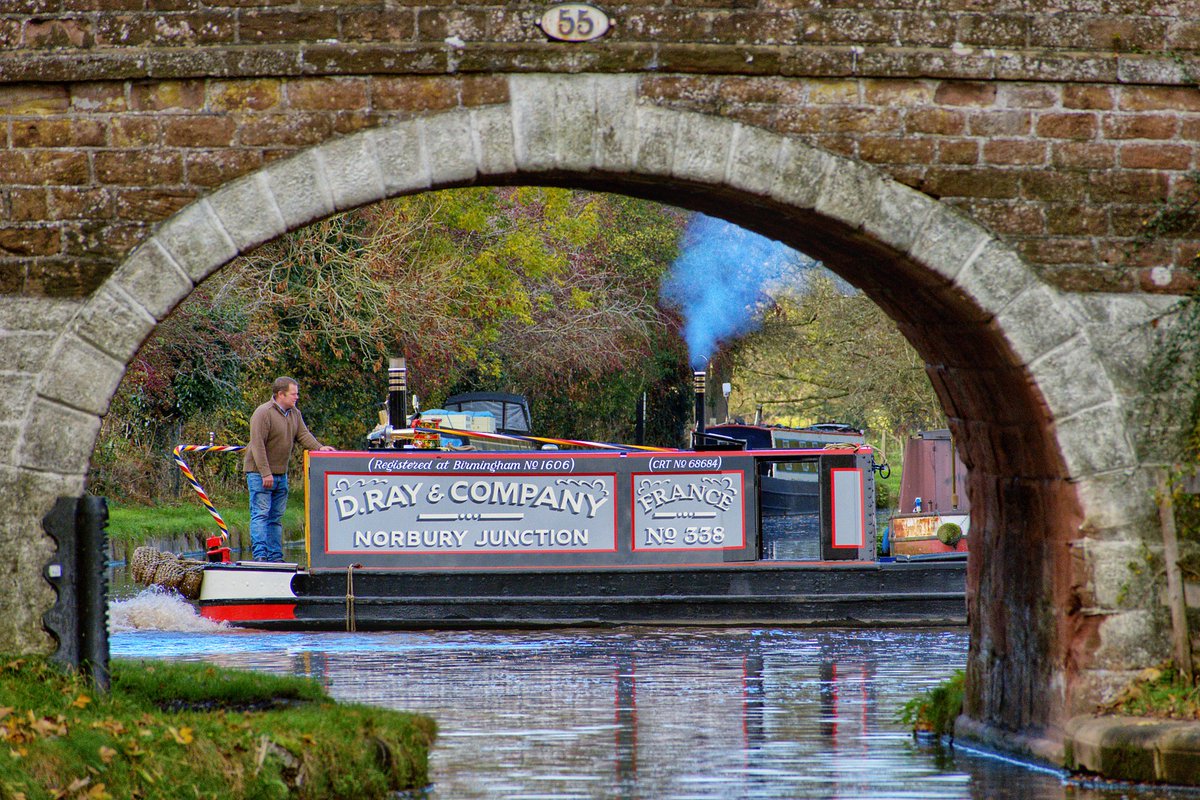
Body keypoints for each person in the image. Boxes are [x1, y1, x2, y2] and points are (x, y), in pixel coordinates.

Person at [243, 377, 335, 562]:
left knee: (275, 518)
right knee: (261, 514)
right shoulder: (263, 413)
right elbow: (257, 445)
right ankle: (260, 556)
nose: (296, 397)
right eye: (293, 394)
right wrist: (265, 473)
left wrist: (319, 448)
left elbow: (303, 434)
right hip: (259, 473)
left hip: (280, 474)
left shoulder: (295, 414)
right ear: (280, 394)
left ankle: (275, 557)